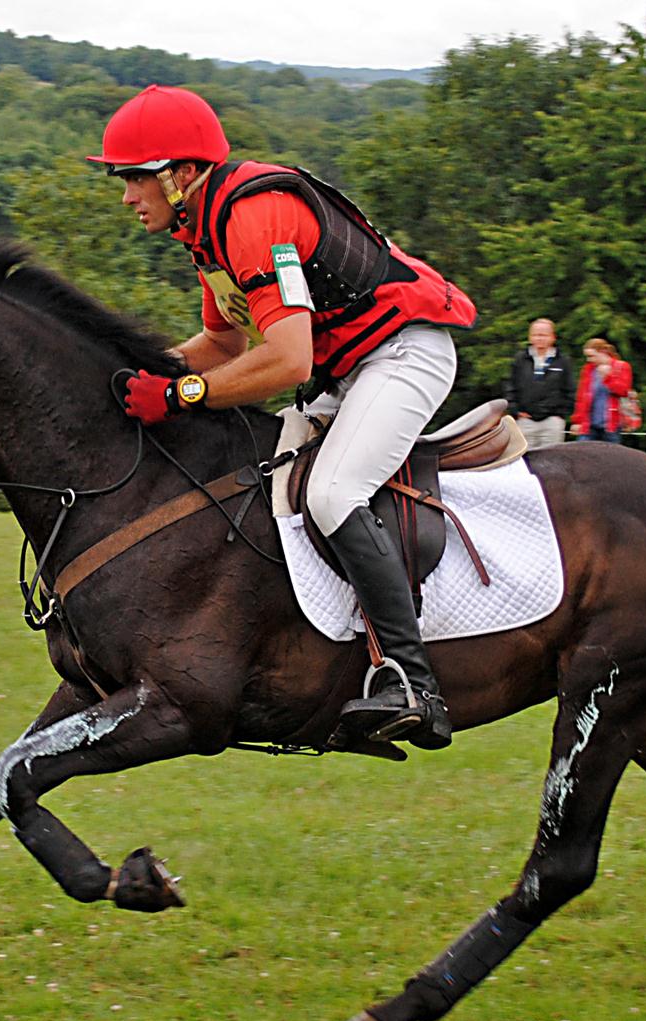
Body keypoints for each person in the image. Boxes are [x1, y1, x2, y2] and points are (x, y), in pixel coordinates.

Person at [90, 85, 477, 750]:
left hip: (403, 352)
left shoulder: (251, 216)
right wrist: (142, 373)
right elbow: (224, 346)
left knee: (332, 492)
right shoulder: (204, 231)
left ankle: (413, 683)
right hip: (348, 369)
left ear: (181, 174)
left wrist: (180, 396)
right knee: (263, 484)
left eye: (134, 178)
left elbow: (289, 358)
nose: (126, 196)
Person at [504, 318, 574, 449]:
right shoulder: (520, 359)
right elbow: (511, 386)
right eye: (536, 335)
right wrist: (516, 410)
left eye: (544, 335)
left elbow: (569, 389)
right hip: (525, 420)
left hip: (552, 421)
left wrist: (560, 414)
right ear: (530, 337)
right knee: (524, 456)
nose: (540, 338)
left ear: (553, 337)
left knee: (552, 457)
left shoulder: (562, 361)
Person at [570, 338, 634, 443]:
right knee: (582, 451)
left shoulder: (621, 367)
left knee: (611, 452)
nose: (589, 360)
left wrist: (608, 377)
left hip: (611, 425)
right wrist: (577, 421)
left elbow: (623, 391)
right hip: (589, 425)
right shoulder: (588, 369)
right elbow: (581, 397)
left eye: (592, 356)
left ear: (603, 352)